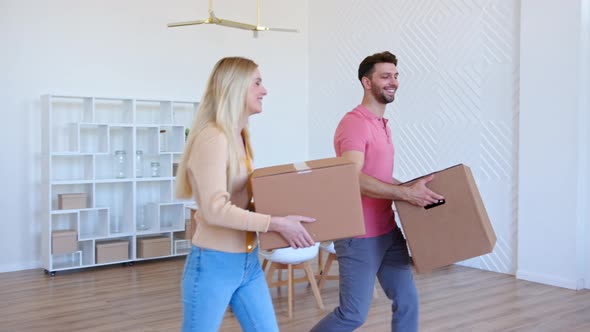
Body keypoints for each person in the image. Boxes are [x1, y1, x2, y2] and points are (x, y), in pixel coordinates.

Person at [175, 56, 316, 332]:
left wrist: (281, 217)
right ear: (235, 87)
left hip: (248, 262)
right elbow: (215, 209)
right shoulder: (213, 138)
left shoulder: (241, 136)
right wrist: (275, 223)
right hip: (214, 264)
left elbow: (244, 201)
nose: (264, 91)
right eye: (257, 83)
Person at [310, 51, 444, 332]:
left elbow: (377, 175)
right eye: (385, 76)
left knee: (407, 300)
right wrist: (405, 195)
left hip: (387, 230)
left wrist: (408, 188)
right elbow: (352, 177)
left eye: (395, 76)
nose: (393, 81)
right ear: (366, 82)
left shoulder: (381, 124)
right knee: (352, 315)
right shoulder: (355, 123)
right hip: (359, 235)